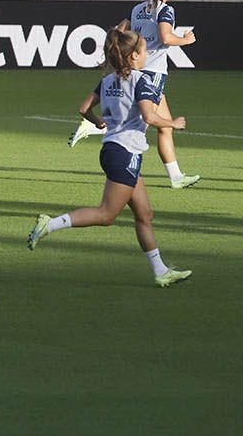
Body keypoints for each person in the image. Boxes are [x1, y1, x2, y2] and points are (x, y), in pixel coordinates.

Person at [28, 23, 192, 287]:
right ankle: (51, 223)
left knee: (145, 215)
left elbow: (82, 108)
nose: (147, 54)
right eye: (144, 50)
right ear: (134, 56)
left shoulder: (107, 80)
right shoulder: (142, 80)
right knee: (106, 215)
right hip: (125, 154)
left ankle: (161, 271)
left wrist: (99, 121)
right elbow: (150, 116)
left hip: (114, 150)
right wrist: (173, 124)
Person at [69, 0, 199, 189]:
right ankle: (95, 128)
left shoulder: (138, 8)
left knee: (164, 128)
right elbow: (166, 37)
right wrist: (185, 40)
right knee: (141, 122)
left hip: (138, 69)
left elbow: (119, 30)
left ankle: (176, 176)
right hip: (153, 73)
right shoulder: (165, 10)